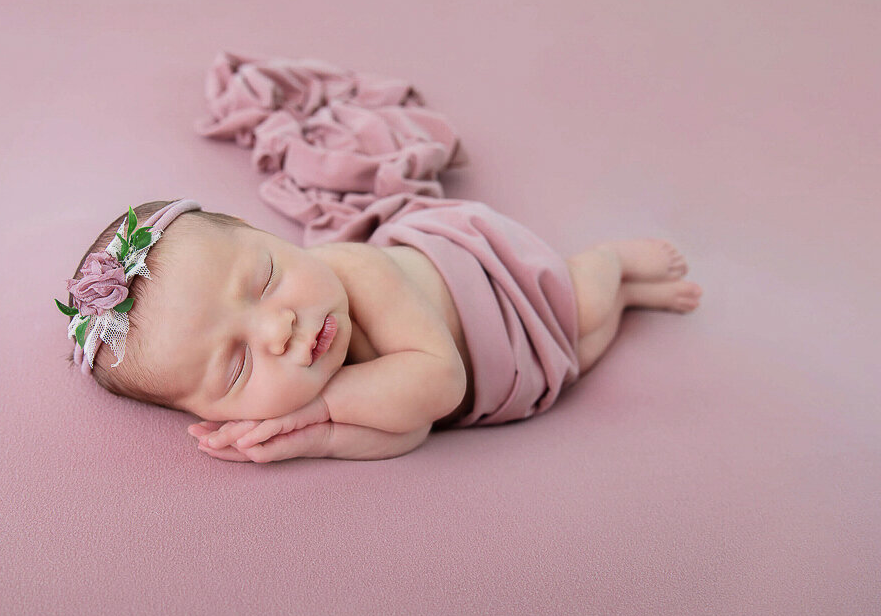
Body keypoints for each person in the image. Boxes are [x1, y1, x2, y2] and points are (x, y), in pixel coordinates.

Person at [57, 198, 702, 463]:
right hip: (508, 377)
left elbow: (440, 384)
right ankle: (632, 303)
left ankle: (610, 265)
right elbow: (414, 427)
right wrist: (319, 436)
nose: (278, 330)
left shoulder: (357, 271)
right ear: (201, 412)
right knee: (583, 356)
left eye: (267, 279)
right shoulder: (308, 372)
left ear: (271, 236)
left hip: (502, 289)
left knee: (580, 306)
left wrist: (325, 403)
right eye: (236, 369)